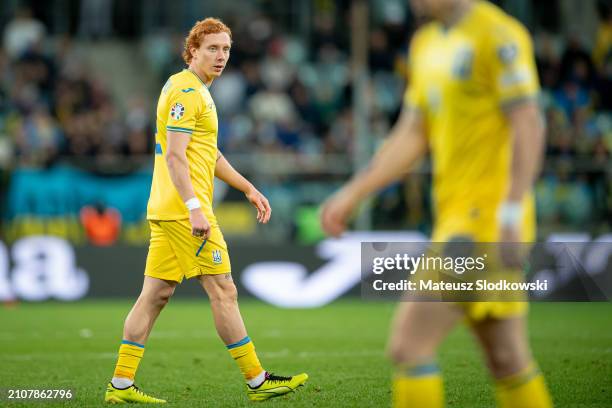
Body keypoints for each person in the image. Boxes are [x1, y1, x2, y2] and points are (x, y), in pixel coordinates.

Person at [320, 1, 553, 407]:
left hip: (485, 222)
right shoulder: (425, 43)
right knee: (507, 359)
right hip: (456, 217)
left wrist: (512, 211)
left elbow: (528, 122)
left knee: (409, 346)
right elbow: (412, 133)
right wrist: (353, 193)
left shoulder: (498, 35)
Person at [104, 18, 307, 404]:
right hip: (185, 211)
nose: (221, 56)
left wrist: (247, 187)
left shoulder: (192, 88)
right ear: (192, 50)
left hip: (169, 208)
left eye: (226, 49)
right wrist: (196, 207)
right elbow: (177, 158)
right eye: (212, 48)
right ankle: (257, 380)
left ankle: (120, 385)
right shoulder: (187, 92)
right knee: (223, 289)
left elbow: (206, 153)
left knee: (155, 294)